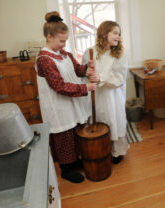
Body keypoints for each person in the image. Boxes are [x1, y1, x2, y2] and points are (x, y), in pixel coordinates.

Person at [35, 11, 97, 183]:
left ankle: (75, 161)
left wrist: (87, 68)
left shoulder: (65, 54)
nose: (64, 44)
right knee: (64, 136)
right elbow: (59, 86)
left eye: (65, 41)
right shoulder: (44, 59)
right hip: (58, 105)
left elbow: (76, 70)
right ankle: (66, 169)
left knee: (74, 132)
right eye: (61, 41)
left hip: (71, 101)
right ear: (49, 37)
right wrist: (86, 87)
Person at [82, 20, 129, 164]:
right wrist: (89, 73)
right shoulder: (90, 52)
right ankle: (101, 148)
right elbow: (84, 71)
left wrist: (101, 77)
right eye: (115, 33)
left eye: (119, 34)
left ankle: (116, 152)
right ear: (104, 33)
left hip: (112, 95)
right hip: (96, 94)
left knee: (114, 120)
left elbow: (120, 77)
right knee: (99, 119)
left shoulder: (120, 54)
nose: (118, 37)